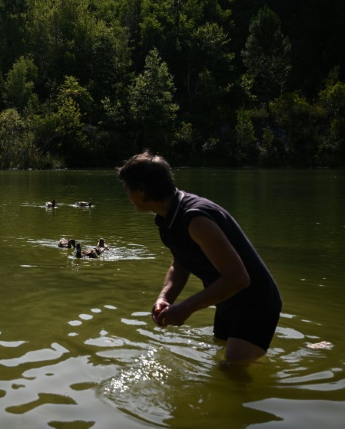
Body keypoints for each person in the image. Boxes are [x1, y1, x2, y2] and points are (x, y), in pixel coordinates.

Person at [117, 151, 282, 365]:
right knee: (219, 358)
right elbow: (180, 265)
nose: (126, 194)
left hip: (254, 303)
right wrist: (164, 298)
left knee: (231, 371)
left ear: (141, 190)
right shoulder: (168, 217)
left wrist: (185, 309)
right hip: (226, 300)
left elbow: (238, 278)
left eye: (126, 188)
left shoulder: (194, 218)